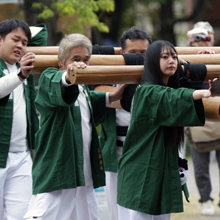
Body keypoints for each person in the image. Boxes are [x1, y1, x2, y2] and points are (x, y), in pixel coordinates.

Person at [24, 33, 126, 220]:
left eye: (85, 59)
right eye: (75, 59)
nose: (81, 64)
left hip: (83, 171)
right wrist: (68, 76)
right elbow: (63, 84)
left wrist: (113, 95)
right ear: (61, 62)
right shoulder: (50, 77)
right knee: (47, 215)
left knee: (88, 216)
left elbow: (89, 102)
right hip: (60, 168)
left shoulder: (83, 87)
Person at [117, 40, 215, 220]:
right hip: (142, 168)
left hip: (161, 167)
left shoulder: (170, 86)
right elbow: (172, 97)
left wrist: (210, 63)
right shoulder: (146, 91)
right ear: (153, 61)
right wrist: (202, 93)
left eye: (174, 57)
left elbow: (184, 88)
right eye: (164, 57)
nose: (171, 60)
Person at [97, 26, 152, 220]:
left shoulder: (159, 75)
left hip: (146, 148)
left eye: (143, 53)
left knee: (142, 205)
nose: (138, 58)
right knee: (116, 206)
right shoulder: (108, 74)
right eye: (133, 53)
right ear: (122, 53)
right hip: (115, 148)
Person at [0, 19, 40, 220]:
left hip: (22, 155)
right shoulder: (22, 72)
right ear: (0, 40)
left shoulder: (23, 68)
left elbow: (42, 33)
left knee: (23, 216)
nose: (20, 46)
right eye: (15, 40)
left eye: (24, 43)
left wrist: (21, 73)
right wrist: (20, 75)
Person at [186, 21, 220, 215]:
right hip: (197, 115)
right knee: (200, 166)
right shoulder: (183, 57)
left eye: (206, 37)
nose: (203, 41)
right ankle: (205, 199)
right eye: (197, 38)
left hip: (218, 113)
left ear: (212, 37)